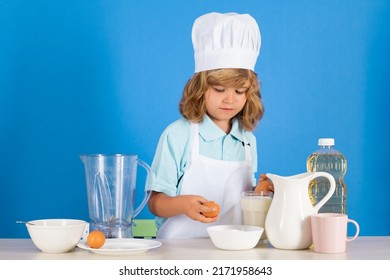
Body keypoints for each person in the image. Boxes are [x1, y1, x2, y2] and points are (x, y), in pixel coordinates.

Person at [148, 12, 272, 239]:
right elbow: (155, 203)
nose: (229, 99)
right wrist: (183, 205)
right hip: (178, 250)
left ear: (249, 93)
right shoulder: (178, 135)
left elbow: (238, 203)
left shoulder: (247, 140)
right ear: (199, 88)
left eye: (239, 91)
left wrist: (259, 193)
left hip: (232, 249)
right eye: (219, 89)